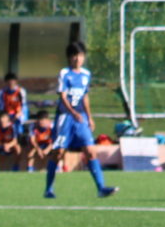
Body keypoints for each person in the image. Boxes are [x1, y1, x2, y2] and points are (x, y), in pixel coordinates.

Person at [45, 42, 116, 199]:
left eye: (81, 55)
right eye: (75, 55)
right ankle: (49, 189)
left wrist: (89, 117)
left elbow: (85, 96)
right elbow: (62, 96)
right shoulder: (64, 73)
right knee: (58, 153)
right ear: (70, 58)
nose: (78, 59)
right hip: (65, 118)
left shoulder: (86, 74)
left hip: (81, 118)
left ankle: (101, 188)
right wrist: (72, 112)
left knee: (91, 151)